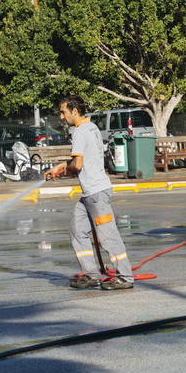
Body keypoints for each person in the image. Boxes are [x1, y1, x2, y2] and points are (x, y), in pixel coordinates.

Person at [44, 96, 134, 290]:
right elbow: (81, 161)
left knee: (107, 236)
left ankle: (125, 277)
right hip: (89, 195)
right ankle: (91, 274)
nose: (61, 116)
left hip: (96, 193)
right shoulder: (91, 127)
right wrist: (61, 166)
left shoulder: (80, 131)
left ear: (74, 111)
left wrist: (61, 170)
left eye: (63, 112)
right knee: (77, 230)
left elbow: (77, 164)